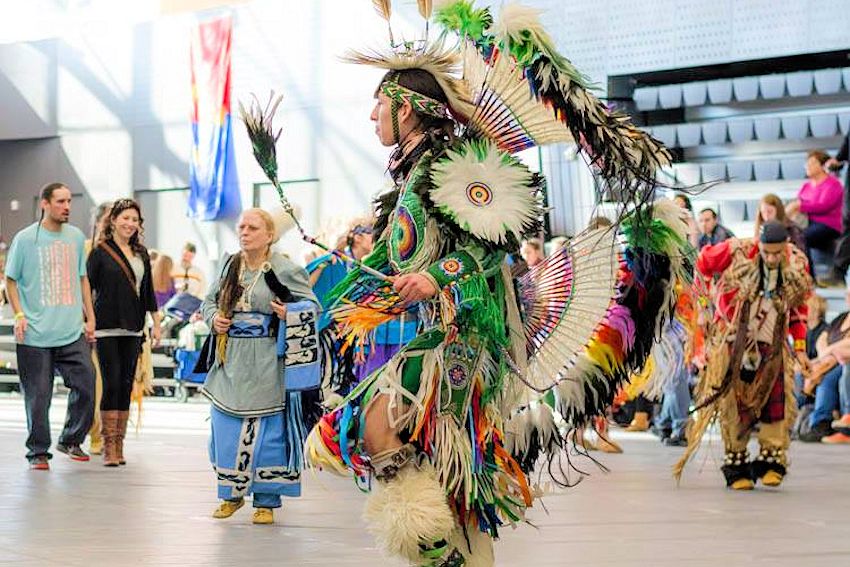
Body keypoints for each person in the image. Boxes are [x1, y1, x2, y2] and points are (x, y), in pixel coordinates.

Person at [300, 5, 689, 564]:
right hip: (429, 334)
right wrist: (342, 292)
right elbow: (390, 262)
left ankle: (440, 552)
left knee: (382, 428)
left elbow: (491, 248)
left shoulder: (459, 163)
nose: (371, 117)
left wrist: (432, 279)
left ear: (409, 109)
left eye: (380, 104)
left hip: (463, 336)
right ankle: (450, 551)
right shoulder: (414, 177)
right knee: (425, 455)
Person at [201, 208, 319, 525]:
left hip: (267, 361)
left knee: (268, 435)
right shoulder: (231, 264)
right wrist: (215, 318)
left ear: (269, 235)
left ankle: (265, 501)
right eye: (241, 226)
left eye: (252, 227)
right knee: (225, 430)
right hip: (231, 360)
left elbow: (312, 306)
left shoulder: (285, 269)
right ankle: (231, 495)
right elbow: (208, 302)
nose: (244, 231)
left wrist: (290, 313)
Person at [675, 222, 812, 490]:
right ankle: (737, 466)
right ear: (759, 246)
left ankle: (772, 461)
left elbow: (798, 309)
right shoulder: (735, 250)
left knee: (776, 403)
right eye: (767, 253)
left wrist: (800, 348)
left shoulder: (796, 264)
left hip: (772, 344)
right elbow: (701, 264)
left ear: (785, 248)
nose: (771, 259)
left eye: (777, 253)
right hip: (732, 341)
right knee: (733, 404)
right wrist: (703, 306)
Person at [4, 183, 96, 470]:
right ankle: (38, 452)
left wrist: (90, 316)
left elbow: (82, 278)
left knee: (87, 384)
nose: (66, 206)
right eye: (60, 201)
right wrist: (19, 315)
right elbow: (10, 280)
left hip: (71, 331)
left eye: (69, 201)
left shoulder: (76, 237)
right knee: (38, 397)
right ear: (45, 203)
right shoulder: (25, 239)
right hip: (34, 335)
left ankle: (71, 438)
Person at [86, 198, 161, 466]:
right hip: (106, 327)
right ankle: (108, 445)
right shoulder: (99, 252)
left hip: (134, 327)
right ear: (114, 220)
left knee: (126, 385)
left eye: (135, 220)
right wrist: (89, 320)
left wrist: (156, 321)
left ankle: (120, 444)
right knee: (111, 382)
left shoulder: (141, 253)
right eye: (125, 218)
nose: (130, 224)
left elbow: (148, 290)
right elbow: (87, 288)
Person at [786, 150, 843, 276]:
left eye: (812, 163)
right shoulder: (806, 186)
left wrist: (800, 206)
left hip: (829, 225)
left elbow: (824, 206)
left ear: (822, 166)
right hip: (808, 223)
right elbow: (799, 202)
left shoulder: (833, 184)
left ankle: (808, 276)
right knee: (789, 235)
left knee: (801, 237)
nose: (808, 166)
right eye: (807, 163)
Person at [84, 201, 112, 456]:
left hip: (120, 329)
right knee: (95, 384)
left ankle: (110, 436)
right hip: (92, 327)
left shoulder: (129, 250)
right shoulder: (87, 248)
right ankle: (95, 433)